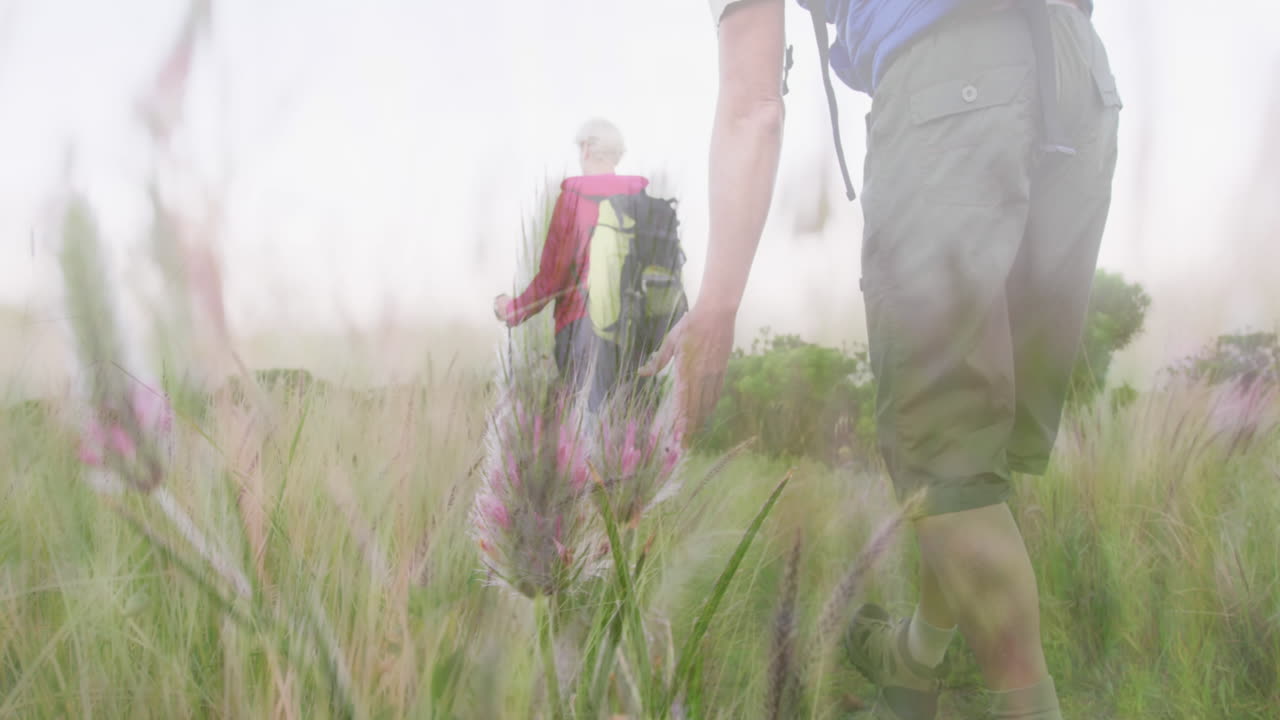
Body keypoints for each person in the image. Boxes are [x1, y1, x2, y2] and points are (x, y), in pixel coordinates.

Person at [640, 1, 1121, 718]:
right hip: (1078, 78)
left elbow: (754, 108)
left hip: (952, 88)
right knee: (970, 468)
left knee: (947, 456)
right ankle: (912, 665)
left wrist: (714, 306)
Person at [494, 118, 652, 409]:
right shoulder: (640, 201)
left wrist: (513, 309)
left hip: (583, 326)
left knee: (585, 421)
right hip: (633, 330)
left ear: (587, 149)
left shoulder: (573, 199)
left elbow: (553, 276)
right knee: (622, 426)